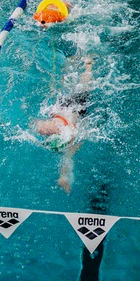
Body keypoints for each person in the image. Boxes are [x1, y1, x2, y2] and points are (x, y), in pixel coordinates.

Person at [32, 54, 94, 193]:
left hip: (71, 110)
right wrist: (63, 176)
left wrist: (63, 176)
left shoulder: (69, 134)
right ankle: (82, 64)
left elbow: (68, 158)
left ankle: (88, 65)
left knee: (81, 87)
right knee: (68, 85)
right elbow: (68, 158)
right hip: (64, 108)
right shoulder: (60, 131)